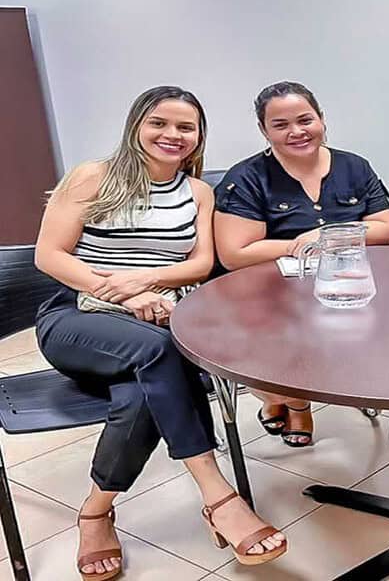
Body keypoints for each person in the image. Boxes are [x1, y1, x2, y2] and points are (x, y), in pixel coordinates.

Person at [34, 86, 286, 581]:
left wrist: (148, 282)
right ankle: (219, 496)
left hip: (158, 318)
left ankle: (95, 512)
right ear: (136, 126)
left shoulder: (198, 193)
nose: (172, 135)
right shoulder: (93, 177)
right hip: (78, 317)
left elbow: (201, 262)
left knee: (139, 393)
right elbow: (50, 256)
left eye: (185, 127)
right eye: (159, 124)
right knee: (162, 350)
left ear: (198, 137)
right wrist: (122, 294)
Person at [214, 81, 389, 447]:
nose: (296, 132)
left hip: (346, 284)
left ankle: (284, 394)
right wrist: (299, 246)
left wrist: (327, 235)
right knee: (274, 336)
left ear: (321, 119)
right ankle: (296, 402)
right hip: (268, 291)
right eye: (280, 125)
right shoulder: (247, 177)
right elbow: (235, 254)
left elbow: (386, 228)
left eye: (305, 120)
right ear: (264, 131)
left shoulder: (353, 166)